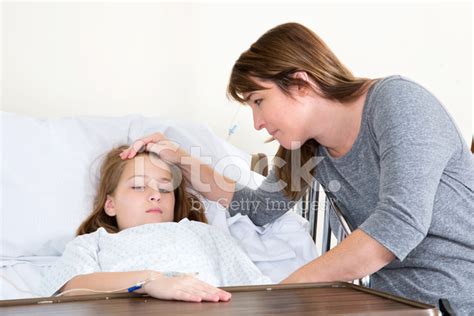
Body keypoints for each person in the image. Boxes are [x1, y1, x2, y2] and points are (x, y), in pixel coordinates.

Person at [121, 23, 474, 314]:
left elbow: (397, 225)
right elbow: (259, 209)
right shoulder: (307, 147)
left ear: (301, 83)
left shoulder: (398, 102)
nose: (257, 123)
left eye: (259, 101)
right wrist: (179, 157)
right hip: (395, 303)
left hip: (458, 300)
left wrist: (280, 293)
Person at [40, 145, 272, 302]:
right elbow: (71, 286)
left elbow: (257, 291)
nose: (155, 195)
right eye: (139, 186)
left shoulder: (203, 234)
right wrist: (150, 281)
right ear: (110, 205)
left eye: (164, 188)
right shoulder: (94, 242)